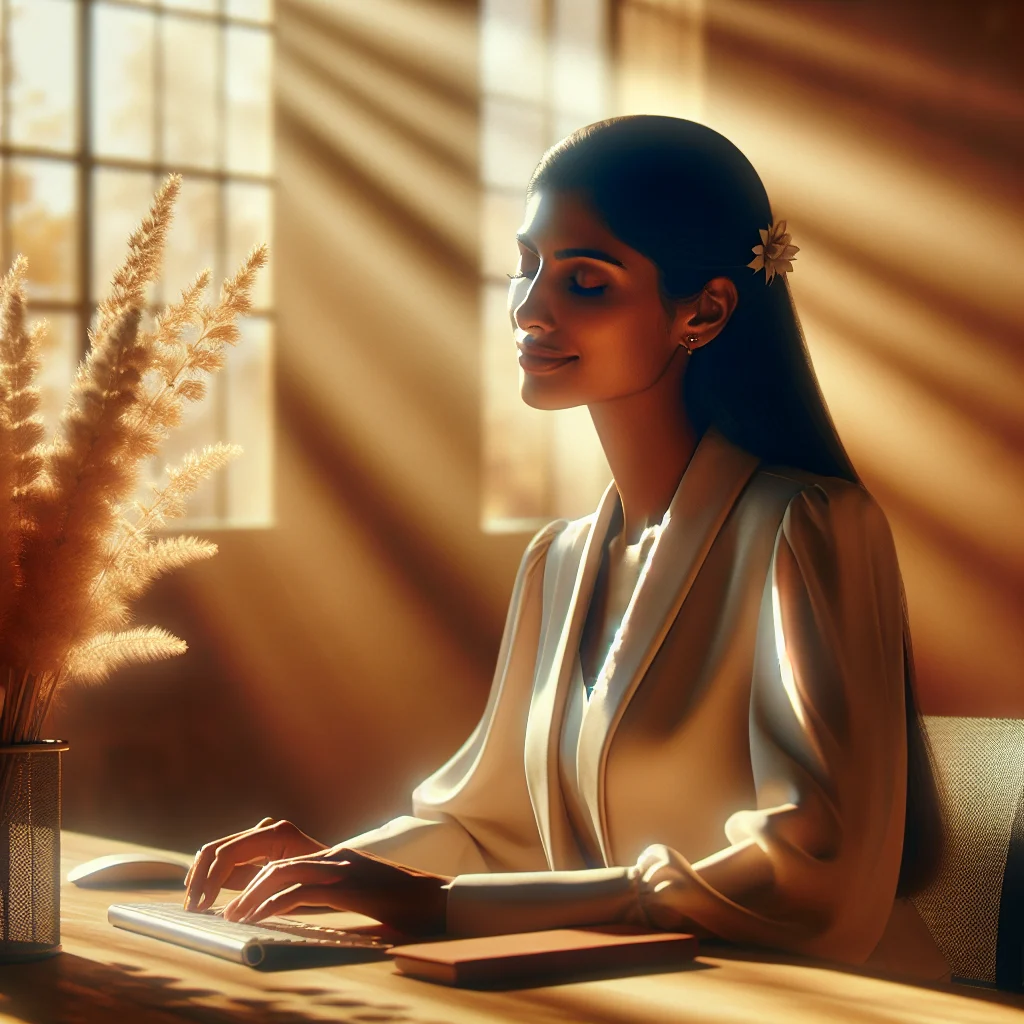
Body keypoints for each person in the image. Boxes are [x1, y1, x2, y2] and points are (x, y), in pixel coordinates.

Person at [184, 116, 948, 976]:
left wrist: (440, 906)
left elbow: (810, 873)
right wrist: (330, 866)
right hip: (642, 994)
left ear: (704, 310)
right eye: (526, 266)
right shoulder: (560, 559)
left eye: (584, 281)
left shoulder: (808, 526)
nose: (528, 308)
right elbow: (487, 823)